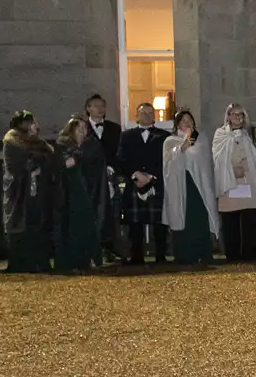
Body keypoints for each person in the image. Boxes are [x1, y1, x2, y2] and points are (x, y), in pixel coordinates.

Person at [163, 109, 219, 263]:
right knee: (183, 218)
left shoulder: (201, 139)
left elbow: (206, 162)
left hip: (199, 184)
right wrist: (181, 149)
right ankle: (184, 253)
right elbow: (168, 165)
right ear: (177, 124)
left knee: (199, 217)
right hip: (181, 183)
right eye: (183, 121)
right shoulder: (170, 141)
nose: (186, 123)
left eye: (189, 120)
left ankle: (203, 251)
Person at [117, 104, 170, 264]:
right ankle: (137, 256)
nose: (146, 116)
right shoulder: (126, 136)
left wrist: (152, 177)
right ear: (136, 116)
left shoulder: (165, 136)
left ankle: (161, 256)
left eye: (150, 113)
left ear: (154, 116)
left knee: (159, 222)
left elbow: (167, 161)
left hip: (156, 183)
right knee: (135, 221)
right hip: (134, 182)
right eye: (143, 113)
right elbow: (121, 159)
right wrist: (135, 175)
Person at [2, 112, 54, 274]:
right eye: (31, 122)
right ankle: (22, 262)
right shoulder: (12, 141)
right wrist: (30, 169)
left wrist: (39, 166)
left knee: (37, 223)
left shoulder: (39, 143)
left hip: (36, 191)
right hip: (19, 192)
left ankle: (38, 260)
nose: (35, 126)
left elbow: (48, 157)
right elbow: (16, 165)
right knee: (20, 225)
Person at [53, 117, 107, 273]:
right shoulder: (63, 144)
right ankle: (70, 261)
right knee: (70, 228)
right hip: (68, 194)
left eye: (85, 128)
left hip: (88, 193)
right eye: (79, 128)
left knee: (88, 226)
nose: (83, 131)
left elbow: (95, 164)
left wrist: (76, 159)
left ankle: (88, 259)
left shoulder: (92, 145)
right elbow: (60, 165)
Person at [212, 104, 256, 263]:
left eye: (240, 114)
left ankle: (251, 254)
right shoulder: (220, 133)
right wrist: (231, 169)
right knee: (230, 221)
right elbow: (218, 157)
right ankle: (233, 255)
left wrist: (247, 165)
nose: (237, 117)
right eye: (233, 114)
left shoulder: (253, 133)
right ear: (227, 116)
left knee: (250, 219)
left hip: (249, 180)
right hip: (230, 182)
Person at [82, 95, 122, 263]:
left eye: (103, 106)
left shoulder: (115, 128)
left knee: (111, 212)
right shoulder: (81, 127)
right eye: (96, 106)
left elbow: (120, 152)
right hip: (89, 179)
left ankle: (109, 249)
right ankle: (91, 249)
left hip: (110, 177)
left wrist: (112, 168)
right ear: (88, 108)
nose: (100, 109)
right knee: (92, 213)